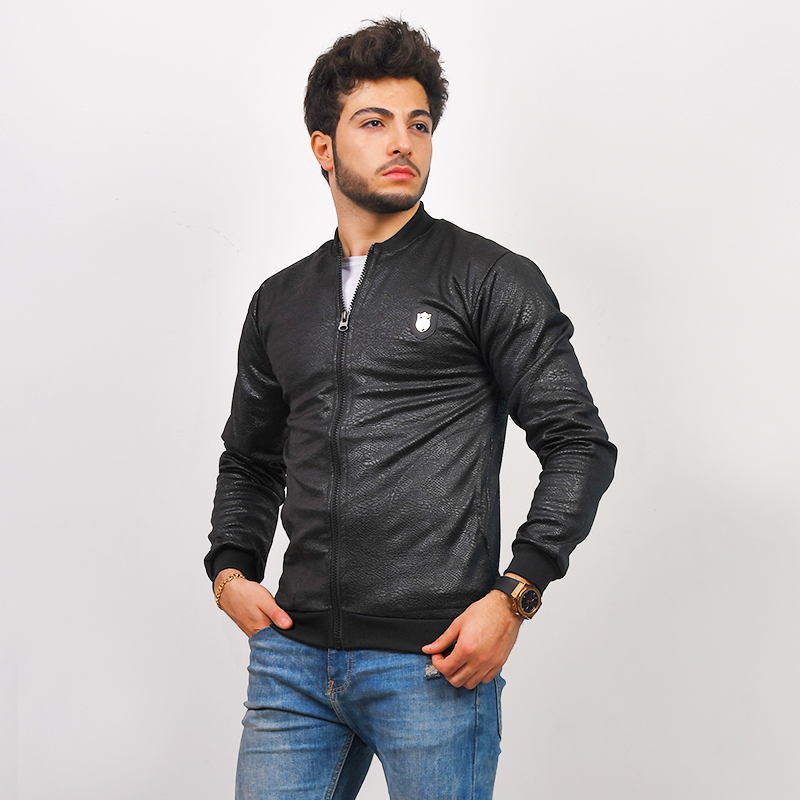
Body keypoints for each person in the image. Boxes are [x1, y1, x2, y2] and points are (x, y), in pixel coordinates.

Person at [205, 18, 616, 800]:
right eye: (374, 122)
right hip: (293, 663)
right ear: (323, 146)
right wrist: (229, 570)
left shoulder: (488, 278)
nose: (403, 142)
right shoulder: (280, 301)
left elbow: (578, 443)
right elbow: (250, 459)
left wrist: (515, 594)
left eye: (419, 124)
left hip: (434, 661)